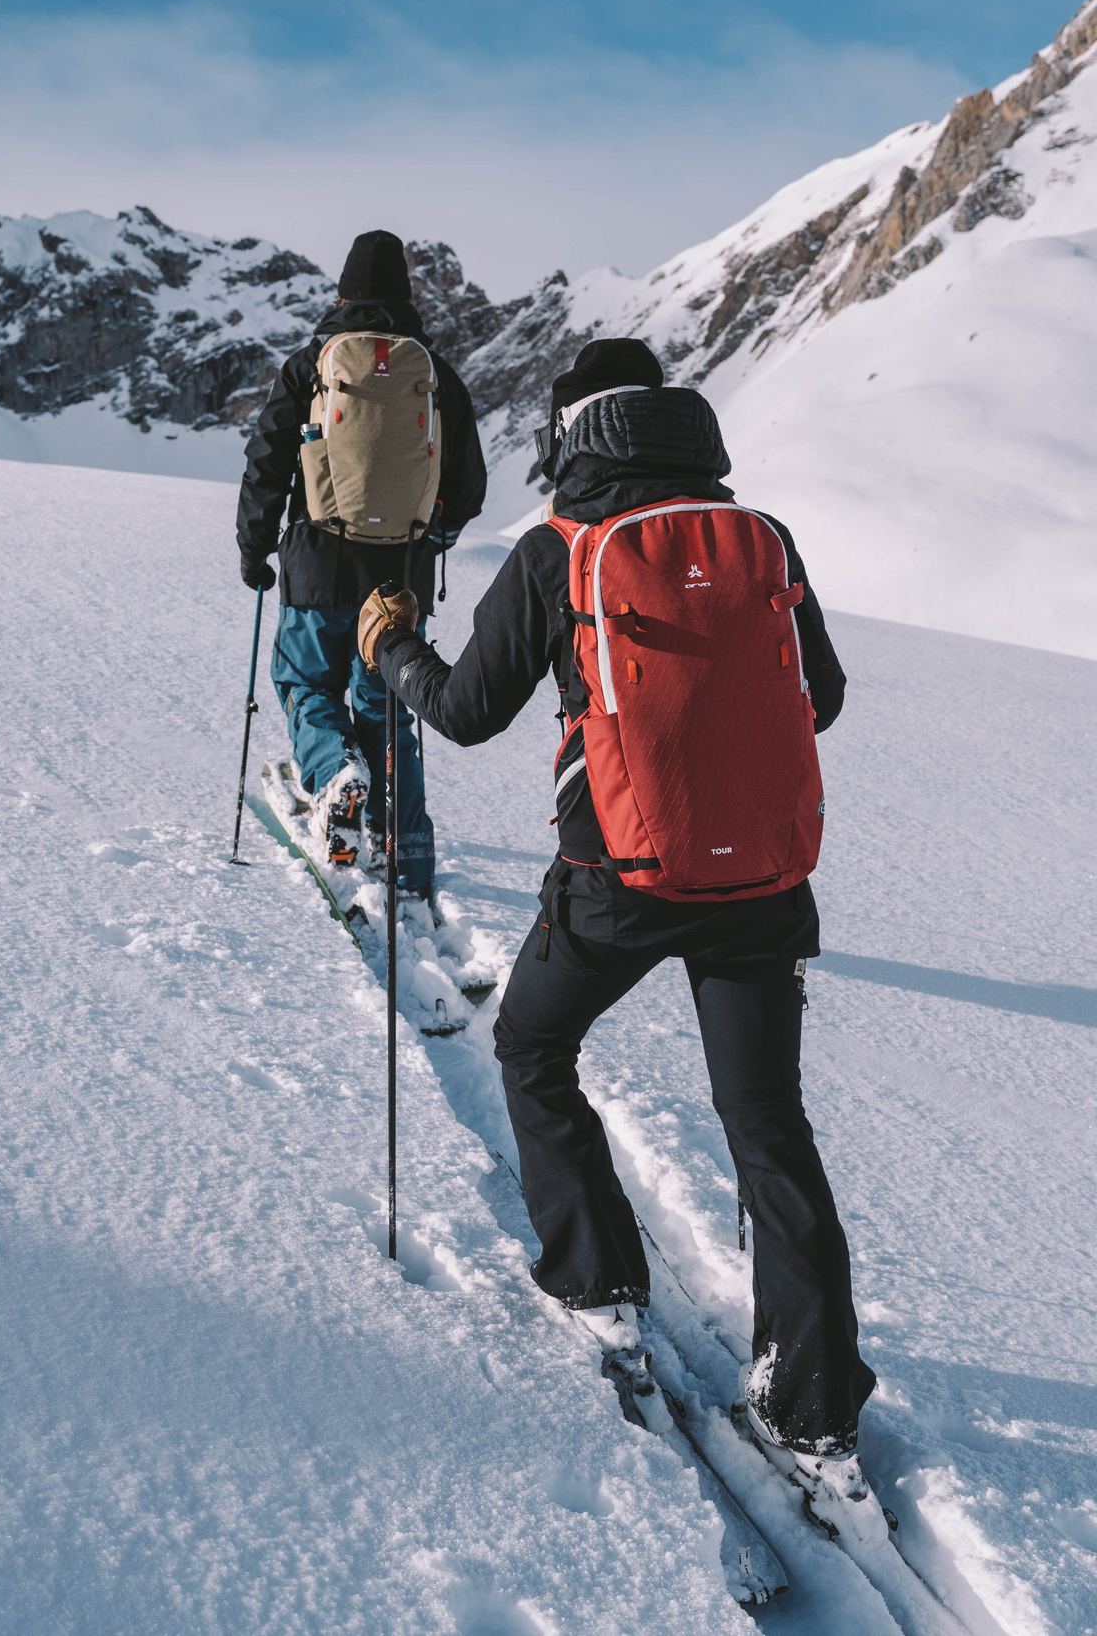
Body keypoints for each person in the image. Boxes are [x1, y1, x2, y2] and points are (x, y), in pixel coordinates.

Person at [358, 336, 883, 1533]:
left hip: (618, 881)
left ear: (573, 431)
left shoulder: (559, 550)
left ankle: (598, 1281)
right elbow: (827, 696)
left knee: (535, 1050)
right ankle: (815, 1409)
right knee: (767, 1123)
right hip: (761, 883)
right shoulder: (763, 539)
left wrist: (387, 643)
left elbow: (464, 710)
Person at [236, 229, 486, 899]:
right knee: (388, 707)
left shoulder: (313, 363)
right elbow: (468, 488)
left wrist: (253, 547)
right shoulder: (435, 375)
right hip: (401, 575)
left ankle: (335, 773)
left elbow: (266, 461)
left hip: (317, 562)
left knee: (307, 685)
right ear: (406, 295)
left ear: (342, 292)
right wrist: (432, 542)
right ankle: (408, 860)